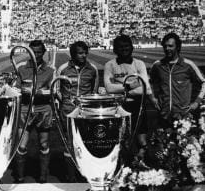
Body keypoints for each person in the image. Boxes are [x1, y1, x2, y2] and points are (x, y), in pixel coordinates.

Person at [103, 35, 154, 160]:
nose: (124, 49)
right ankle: (124, 164)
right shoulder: (110, 65)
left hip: (138, 105)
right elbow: (109, 88)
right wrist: (131, 85)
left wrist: (122, 90)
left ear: (131, 47)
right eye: (120, 47)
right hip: (119, 106)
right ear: (115, 49)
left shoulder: (139, 64)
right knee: (122, 138)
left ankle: (141, 164)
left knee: (142, 139)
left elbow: (145, 88)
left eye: (126, 46)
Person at [55, 41, 99, 181]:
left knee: (85, 142)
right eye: (80, 53)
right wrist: (67, 102)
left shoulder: (93, 69)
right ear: (73, 54)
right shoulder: (63, 69)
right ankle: (71, 176)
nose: (84, 55)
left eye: (85, 53)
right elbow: (56, 89)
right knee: (69, 142)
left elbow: (94, 90)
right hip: (67, 110)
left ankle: (84, 174)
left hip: (85, 111)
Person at [13, 40, 55, 183]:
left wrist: (38, 92)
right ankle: (19, 176)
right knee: (22, 145)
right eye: (33, 52)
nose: (36, 55)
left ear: (43, 52)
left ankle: (43, 175)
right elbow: (15, 88)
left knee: (44, 143)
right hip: (25, 109)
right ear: (28, 52)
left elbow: (54, 91)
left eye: (38, 52)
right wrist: (23, 90)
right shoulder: (21, 67)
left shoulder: (51, 69)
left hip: (43, 109)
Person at [149, 32, 205, 126]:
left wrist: (197, 102)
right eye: (165, 46)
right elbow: (149, 82)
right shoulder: (157, 65)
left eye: (171, 46)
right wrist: (153, 99)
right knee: (161, 140)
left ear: (178, 47)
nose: (167, 49)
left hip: (183, 116)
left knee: (184, 140)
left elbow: (204, 82)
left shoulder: (188, 65)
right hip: (163, 115)